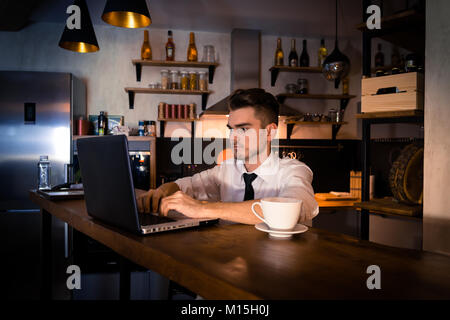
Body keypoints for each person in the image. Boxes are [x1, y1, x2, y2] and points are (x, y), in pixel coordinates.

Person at [137, 88, 319, 224]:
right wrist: (160, 192)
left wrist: (203, 208)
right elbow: (185, 185)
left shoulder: (293, 171)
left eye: (244, 129)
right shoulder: (226, 170)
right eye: (231, 130)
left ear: (270, 132)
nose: (233, 138)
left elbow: (291, 208)